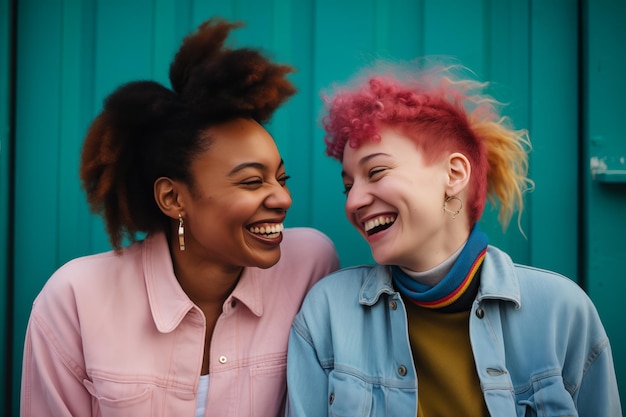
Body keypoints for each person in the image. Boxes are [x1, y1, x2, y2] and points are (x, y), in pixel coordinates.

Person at [20, 17, 339, 417]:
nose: (282, 198)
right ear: (173, 198)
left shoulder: (311, 265)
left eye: (281, 177)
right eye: (252, 181)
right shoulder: (75, 299)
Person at [285, 60, 622, 416]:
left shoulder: (561, 311)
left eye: (377, 171)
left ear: (455, 173)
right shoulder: (327, 315)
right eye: (348, 186)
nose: (354, 201)